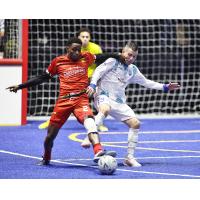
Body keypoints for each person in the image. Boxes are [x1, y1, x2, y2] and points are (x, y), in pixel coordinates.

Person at [6, 37, 117, 165]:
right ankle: (46, 157)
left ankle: (98, 151)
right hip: (63, 102)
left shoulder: (86, 57)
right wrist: (20, 86)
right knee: (50, 137)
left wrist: (118, 55)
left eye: (79, 50)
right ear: (67, 48)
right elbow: (42, 78)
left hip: (80, 100)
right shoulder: (58, 62)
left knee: (90, 122)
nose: (77, 52)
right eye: (74, 50)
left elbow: (102, 56)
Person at [85, 41, 180, 167]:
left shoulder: (133, 70)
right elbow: (97, 71)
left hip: (119, 101)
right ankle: (90, 136)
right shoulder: (113, 61)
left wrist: (165, 87)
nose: (131, 58)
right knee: (105, 109)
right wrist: (92, 84)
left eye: (134, 56)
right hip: (103, 95)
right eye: (129, 55)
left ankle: (129, 158)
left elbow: (146, 82)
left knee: (135, 123)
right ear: (123, 52)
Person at [38, 28, 109, 132]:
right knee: (63, 99)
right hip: (76, 79)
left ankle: (99, 123)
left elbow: (100, 64)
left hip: (92, 79)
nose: (85, 39)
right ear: (78, 38)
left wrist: (96, 81)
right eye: (83, 37)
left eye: (87, 37)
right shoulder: (74, 49)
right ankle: (51, 121)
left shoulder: (95, 48)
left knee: (98, 99)